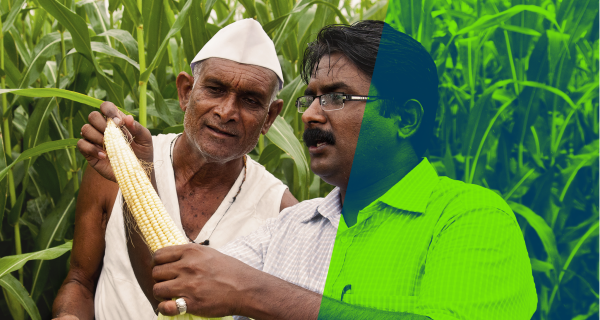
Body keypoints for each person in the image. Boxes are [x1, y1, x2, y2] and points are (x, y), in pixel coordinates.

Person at [109, 20, 537, 319]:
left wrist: (254, 292)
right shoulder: (288, 228)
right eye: (310, 98)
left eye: (336, 97)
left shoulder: (471, 219)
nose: (311, 115)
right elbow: (176, 287)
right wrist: (138, 175)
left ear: (405, 118)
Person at [51, 19, 298, 320]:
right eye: (215, 89)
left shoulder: (284, 216)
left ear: (270, 117)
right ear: (185, 92)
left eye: (250, 100)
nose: (227, 111)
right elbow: (80, 280)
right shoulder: (115, 167)